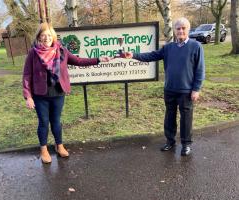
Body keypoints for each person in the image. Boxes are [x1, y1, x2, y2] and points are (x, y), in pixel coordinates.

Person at [23, 22, 111, 164]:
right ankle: (44, 149)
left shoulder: (61, 50)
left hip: (58, 93)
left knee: (56, 121)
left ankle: (59, 145)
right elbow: (27, 75)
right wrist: (28, 96)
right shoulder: (33, 53)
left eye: (49, 35)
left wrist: (98, 59)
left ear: (53, 36)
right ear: (39, 37)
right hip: (40, 95)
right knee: (44, 122)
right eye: (43, 35)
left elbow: (78, 61)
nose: (46, 38)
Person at [124, 17, 205, 156]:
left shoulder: (196, 46)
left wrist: (196, 89)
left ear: (188, 29)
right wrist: (133, 55)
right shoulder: (168, 47)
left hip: (186, 91)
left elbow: (200, 69)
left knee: (186, 119)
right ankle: (170, 141)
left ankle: (186, 144)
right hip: (170, 89)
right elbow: (152, 55)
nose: (180, 31)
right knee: (169, 117)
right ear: (174, 30)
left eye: (183, 28)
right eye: (178, 28)